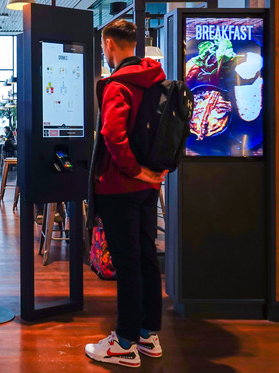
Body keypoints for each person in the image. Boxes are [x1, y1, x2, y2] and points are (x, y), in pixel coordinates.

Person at [85, 19, 168, 368]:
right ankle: (149, 334)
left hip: (121, 186)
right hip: (148, 185)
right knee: (147, 258)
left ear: (108, 45)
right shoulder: (154, 80)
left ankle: (123, 342)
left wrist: (133, 170)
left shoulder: (118, 85)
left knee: (128, 262)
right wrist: (148, 173)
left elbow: (113, 137)